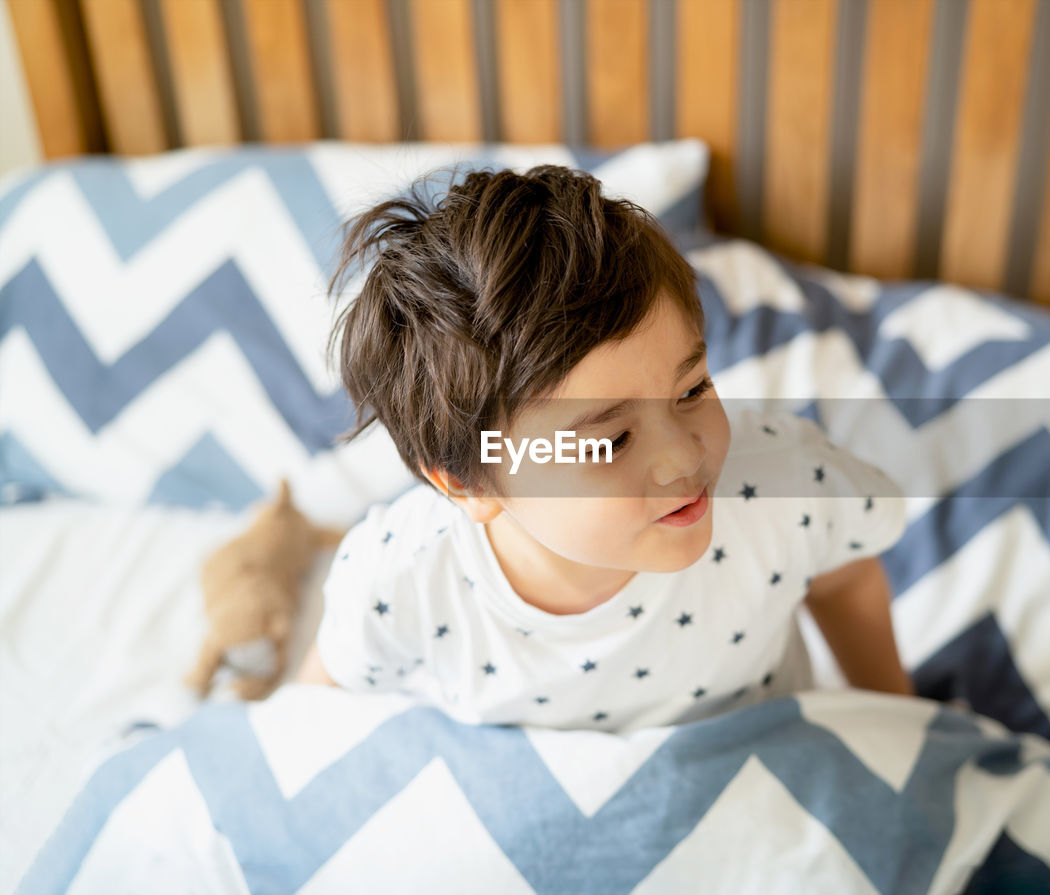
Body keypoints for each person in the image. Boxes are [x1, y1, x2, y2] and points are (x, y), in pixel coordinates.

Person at [293, 164, 914, 731]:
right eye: (612, 440)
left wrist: (901, 724)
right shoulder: (402, 580)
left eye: (692, 389)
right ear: (469, 484)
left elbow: (845, 578)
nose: (683, 457)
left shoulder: (785, 487)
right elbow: (304, 724)